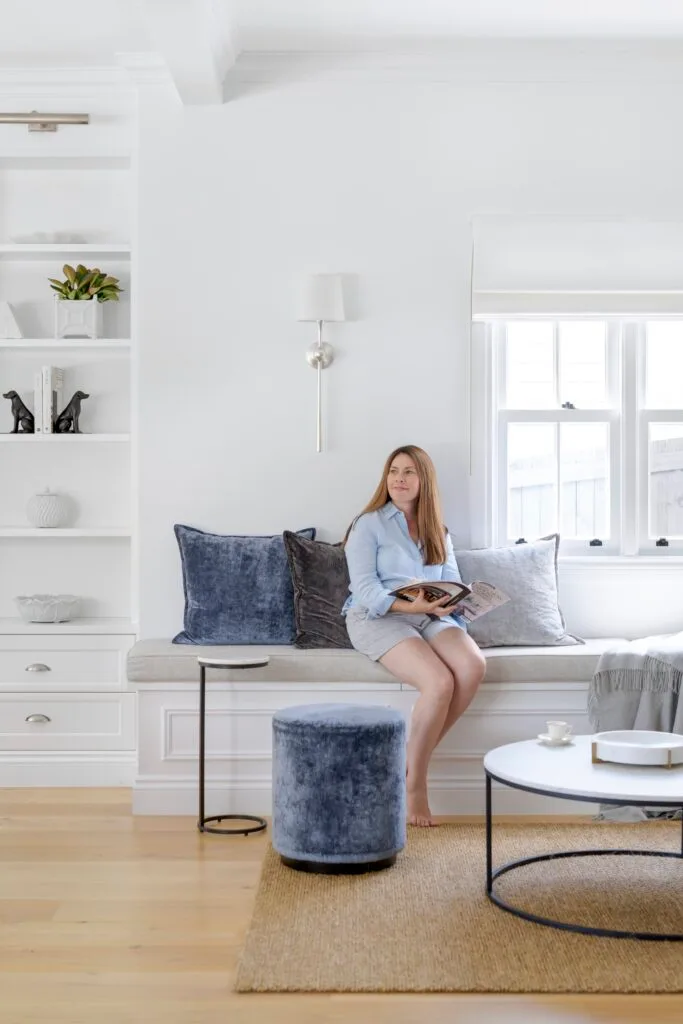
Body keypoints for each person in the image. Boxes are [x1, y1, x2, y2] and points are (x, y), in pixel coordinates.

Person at [342, 445, 486, 828]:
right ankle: (415, 784)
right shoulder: (368, 524)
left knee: (472, 667)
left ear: (424, 481)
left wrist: (454, 602)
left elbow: (448, 578)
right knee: (439, 682)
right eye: (393, 471)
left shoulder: (437, 528)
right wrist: (412, 607)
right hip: (380, 615)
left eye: (408, 472)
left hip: (428, 615)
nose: (399, 479)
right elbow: (367, 591)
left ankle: (406, 762)